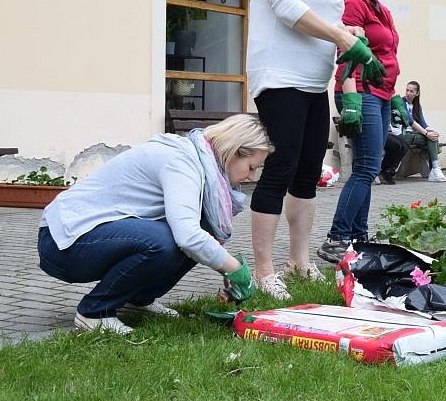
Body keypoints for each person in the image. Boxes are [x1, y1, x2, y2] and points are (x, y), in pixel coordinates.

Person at [246, 0, 384, 299]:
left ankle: (299, 262)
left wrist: (347, 32)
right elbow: (288, 7)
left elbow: (326, 19)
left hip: (312, 83)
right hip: (280, 78)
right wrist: (340, 34)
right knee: (281, 167)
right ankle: (264, 271)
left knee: (308, 172)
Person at [37, 114, 272, 335]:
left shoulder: (197, 161)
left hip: (85, 237)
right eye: (251, 167)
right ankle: (94, 312)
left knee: (199, 230)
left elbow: (196, 233)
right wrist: (233, 268)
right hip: (62, 243)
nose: (252, 177)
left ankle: (139, 298)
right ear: (232, 152)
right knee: (165, 241)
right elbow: (188, 236)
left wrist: (224, 264)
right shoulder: (181, 161)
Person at [317, 0, 411, 264]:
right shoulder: (353, 1)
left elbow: (384, 57)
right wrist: (350, 97)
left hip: (380, 94)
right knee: (367, 168)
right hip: (360, 93)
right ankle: (336, 238)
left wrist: (394, 96)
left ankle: (359, 237)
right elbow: (344, 50)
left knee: (368, 168)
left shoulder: (381, 10)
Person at [379, 80, 446, 183]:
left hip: (413, 135)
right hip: (402, 134)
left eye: (411, 91)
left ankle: (435, 169)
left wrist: (431, 132)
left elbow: (423, 123)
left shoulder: (417, 106)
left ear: (417, 93)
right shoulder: (401, 103)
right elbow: (410, 121)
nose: (408, 93)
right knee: (426, 136)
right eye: (407, 90)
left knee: (433, 137)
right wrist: (426, 133)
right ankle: (435, 170)